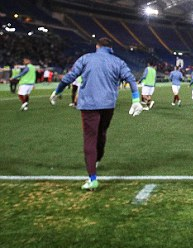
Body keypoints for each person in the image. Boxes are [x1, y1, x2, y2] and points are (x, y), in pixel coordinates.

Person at [49, 37, 143, 190]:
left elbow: (70, 77)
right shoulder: (118, 61)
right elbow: (131, 79)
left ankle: (92, 178)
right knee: (102, 133)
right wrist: (136, 100)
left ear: (97, 46)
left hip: (89, 105)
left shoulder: (86, 58)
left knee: (90, 138)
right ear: (111, 49)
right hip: (108, 105)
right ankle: (97, 160)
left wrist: (58, 91)